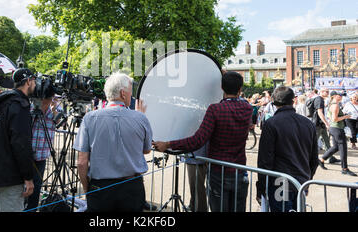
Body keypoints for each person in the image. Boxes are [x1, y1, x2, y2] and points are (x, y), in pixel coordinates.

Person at [153, 71, 253, 212]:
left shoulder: (215, 110)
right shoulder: (248, 108)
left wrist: (168, 144)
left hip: (219, 173)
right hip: (240, 171)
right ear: (240, 89)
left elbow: (197, 140)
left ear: (222, 88)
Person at [73, 72, 152, 212]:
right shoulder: (141, 118)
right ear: (123, 93)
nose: (132, 95)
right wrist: (140, 117)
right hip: (131, 188)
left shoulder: (89, 118)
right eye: (130, 92)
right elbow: (146, 150)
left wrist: (87, 189)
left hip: (100, 188)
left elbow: (81, 162)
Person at [256, 86, 318, 212]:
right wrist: (307, 179)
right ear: (293, 101)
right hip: (300, 181)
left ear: (274, 102)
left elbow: (265, 161)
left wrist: (261, 188)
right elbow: (314, 159)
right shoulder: (308, 124)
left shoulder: (272, 123)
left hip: (280, 182)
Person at [0, 68, 37, 212]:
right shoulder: (18, 105)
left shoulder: (7, 102)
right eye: (34, 81)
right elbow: (21, 144)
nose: (35, 84)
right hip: (10, 175)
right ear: (28, 81)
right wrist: (28, 177)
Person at [25, 92, 62, 211]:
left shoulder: (55, 110)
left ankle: (32, 208)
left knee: (35, 189)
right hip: (25, 155)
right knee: (22, 188)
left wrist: (55, 111)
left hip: (41, 157)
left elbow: (61, 123)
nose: (50, 100)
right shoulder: (31, 107)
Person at [318, 91, 356, 176]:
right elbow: (334, 119)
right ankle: (344, 169)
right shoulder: (335, 105)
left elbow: (331, 117)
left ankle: (322, 159)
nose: (341, 97)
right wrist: (346, 116)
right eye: (340, 95)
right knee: (343, 148)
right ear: (335, 96)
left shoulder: (332, 104)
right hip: (337, 128)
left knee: (335, 147)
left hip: (334, 128)